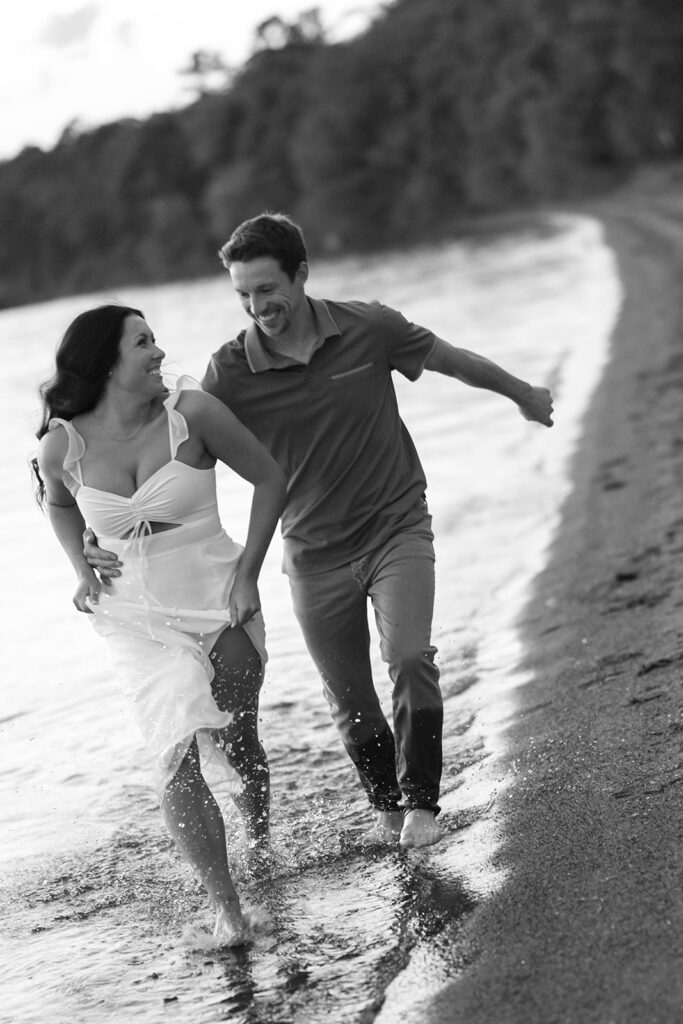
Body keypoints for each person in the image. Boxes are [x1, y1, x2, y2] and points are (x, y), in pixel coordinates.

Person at [87, 214, 554, 852]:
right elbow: (165, 450)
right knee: (351, 698)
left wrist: (522, 393)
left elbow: (452, 361)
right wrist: (102, 532)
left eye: (267, 289)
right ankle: (386, 809)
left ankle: (421, 803)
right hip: (312, 555)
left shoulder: (370, 327)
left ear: (301, 273)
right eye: (243, 294)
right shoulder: (229, 371)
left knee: (409, 657)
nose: (257, 306)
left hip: (396, 527)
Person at [34, 304, 287, 946]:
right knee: (176, 749)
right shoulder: (62, 445)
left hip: (217, 593)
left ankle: (259, 840)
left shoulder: (192, 414)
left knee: (239, 739)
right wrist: (82, 568)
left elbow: (270, 477)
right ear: (105, 363)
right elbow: (58, 503)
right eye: (142, 342)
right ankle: (228, 911)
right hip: (135, 617)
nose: (158, 352)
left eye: (154, 339)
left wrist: (249, 575)